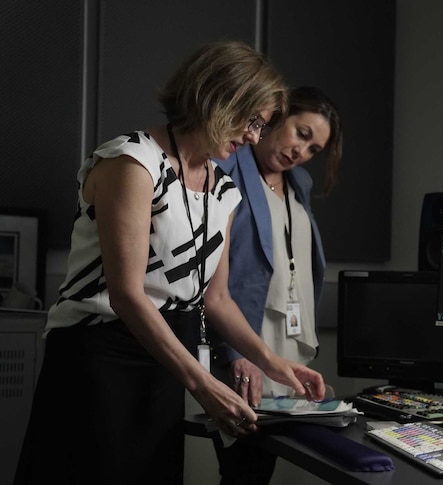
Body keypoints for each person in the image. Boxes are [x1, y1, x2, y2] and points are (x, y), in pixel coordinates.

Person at [14, 41, 328, 485]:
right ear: (220, 97)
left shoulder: (224, 190)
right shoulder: (132, 162)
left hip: (163, 365)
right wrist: (203, 384)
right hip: (99, 359)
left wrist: (274, 362)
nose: (255, 137)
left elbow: (216, 300)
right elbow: (126, 295)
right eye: (253, 121)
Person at [206, 85, 343, 485]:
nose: (302, 152)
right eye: (302, 133)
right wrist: (235, 352)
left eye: (314, 148)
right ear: (279, 117)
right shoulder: (227, 168)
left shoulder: (298, 183)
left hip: (287, 349)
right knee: (242, 471)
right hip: (241, 346)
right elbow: (211, 277)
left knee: (259, 470)